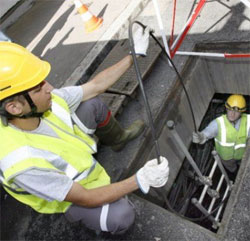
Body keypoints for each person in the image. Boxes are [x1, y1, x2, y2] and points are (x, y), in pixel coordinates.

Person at [0, 27, 169, 235]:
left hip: (71, 158)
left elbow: (95, 85)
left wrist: (134, 55)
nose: (50, 88)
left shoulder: (39, 105)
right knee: (121, 217)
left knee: (91, 104)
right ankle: (81, 219)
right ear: (14, 108)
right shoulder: (23, 164)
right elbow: (87, 198)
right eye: (38, 88)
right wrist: (140, 179)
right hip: (71, 194)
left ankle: (118, 139)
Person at [192, 94, 250, 176]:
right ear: (226, 108)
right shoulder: (218, 124)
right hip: (226, 159)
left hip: (243, 154)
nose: (232, 114)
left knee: (244, 167)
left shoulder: (248, 120)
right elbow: (206, 133)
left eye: (236, 111)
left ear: (242, 111)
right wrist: (201, 137)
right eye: (230, 109)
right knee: (233, 171)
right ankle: (234, 176)